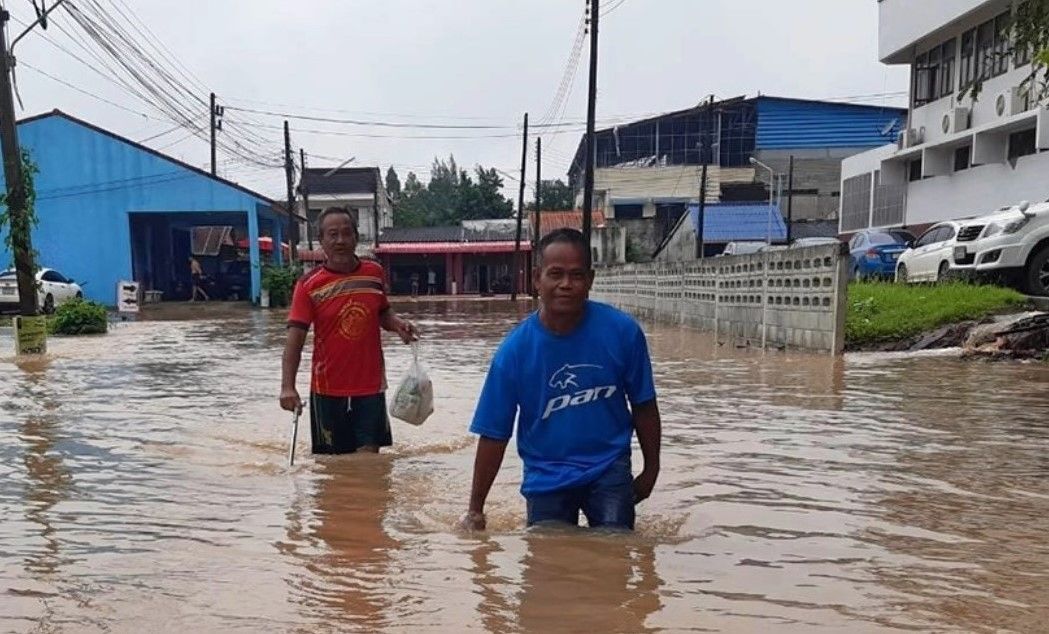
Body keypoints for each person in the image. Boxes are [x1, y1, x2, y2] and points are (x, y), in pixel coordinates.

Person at [461, 228, 661, 531]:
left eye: (576, 275)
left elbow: (644, 406)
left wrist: (651, 470)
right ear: (537, 278)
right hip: (547, 475)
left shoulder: (623, 333)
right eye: (556, 274)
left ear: (590, 281)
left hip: (608, 467)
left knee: (614, 553)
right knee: (549, 560)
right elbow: (493, 434)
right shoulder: (514, 351)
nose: (566, 285)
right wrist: (475, 509)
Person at [279, 206, 418, 454]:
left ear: (356, 236)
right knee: (333, 467)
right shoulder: (308, 285)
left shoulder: (373, 273)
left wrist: (398, 325)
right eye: (332, 235)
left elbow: (383, 312)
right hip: (327, 389)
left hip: (370, 386)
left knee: (369, 462)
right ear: (321, 241)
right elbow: (295, 339)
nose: (340, 241)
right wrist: (287, 387)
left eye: (346, 233)